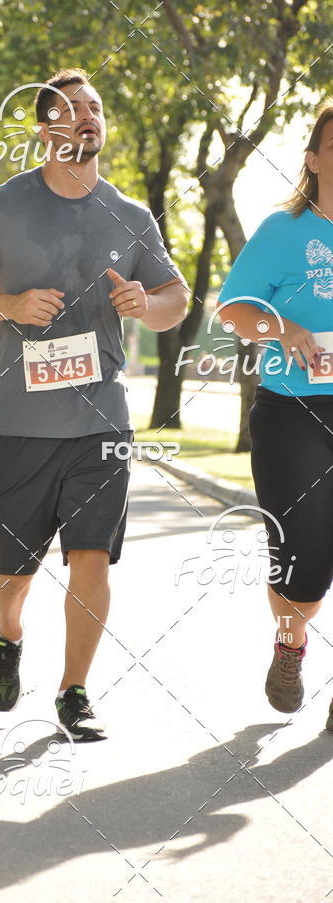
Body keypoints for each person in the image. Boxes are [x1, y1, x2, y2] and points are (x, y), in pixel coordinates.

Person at [0, 69, 187, 741]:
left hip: (101, 419)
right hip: (20, 423)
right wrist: (6, 305)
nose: (86, 117)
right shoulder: (0, 206)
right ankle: (8, 631)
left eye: (95, 108)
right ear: (44, 128)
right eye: (71, 109)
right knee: (11, 572)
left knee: (91, 557)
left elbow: (175, 299)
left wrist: (145, 303)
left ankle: (75, 690)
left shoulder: (131, 215)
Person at [217, 104, 333, 728]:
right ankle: (291, 642)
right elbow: (234, 311)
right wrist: (283, 325)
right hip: (293, 412)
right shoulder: (283, 230)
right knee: (304, 564)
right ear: (313, 160)